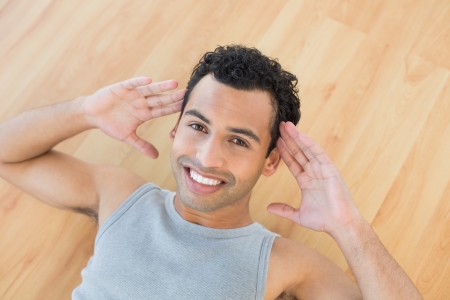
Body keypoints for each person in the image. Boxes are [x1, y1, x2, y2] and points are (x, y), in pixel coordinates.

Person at [0, 45, 422, 299]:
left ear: (271, 160)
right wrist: (84, 111)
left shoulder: (287, 264)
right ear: (175, 127)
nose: (206, 157)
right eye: (198, 126)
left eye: (238, 141)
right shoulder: (121, 195)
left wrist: (349, 227)